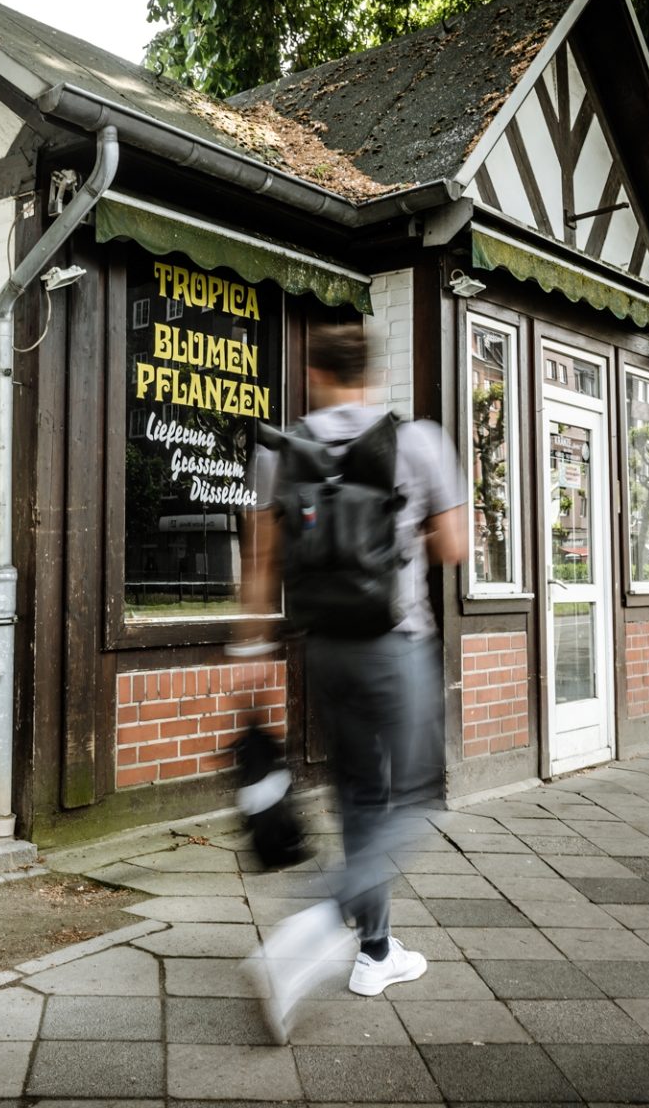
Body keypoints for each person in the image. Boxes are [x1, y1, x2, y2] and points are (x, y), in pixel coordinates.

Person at [237, 320, 466, 1039]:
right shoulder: (419, 440)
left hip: (323, 649)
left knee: (360, 796)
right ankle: (319, 919)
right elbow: (455, 545)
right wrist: (414, 521)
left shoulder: (287, 450)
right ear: (372, 371)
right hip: (395, 644)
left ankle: (375, 953)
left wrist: (248, 655)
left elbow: (263, 564)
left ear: (315, 375)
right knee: (419, 800)